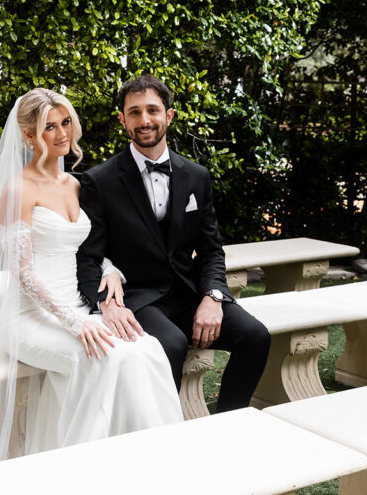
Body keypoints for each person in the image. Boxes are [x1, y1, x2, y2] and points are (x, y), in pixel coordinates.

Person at [0, 87, 182, 467]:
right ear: (29, 136)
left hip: (78, 307)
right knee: (102, 359)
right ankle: (79, 471)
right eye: (50, 127)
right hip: (31, 318)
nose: (63, 133)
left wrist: (111, 270)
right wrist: (75, 322)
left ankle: (150, 463)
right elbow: (23, 274)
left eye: (66, 123)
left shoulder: (76, 184)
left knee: (146, 350)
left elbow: (88, 249)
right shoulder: (18, 189)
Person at [77, 73, 271, 410]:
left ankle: (227, 424)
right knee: (172, 343)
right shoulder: (99, 180)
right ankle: (165, 439)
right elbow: (87, 256)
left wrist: (213, 296)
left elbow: (211, 250)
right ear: (122, 120)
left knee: (256, 337)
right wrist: (106, 303)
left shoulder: (196, 176)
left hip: (190, 292)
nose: (144, 120)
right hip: (138, 298)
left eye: (152, 110)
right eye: (134, 112)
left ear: (169, 115)